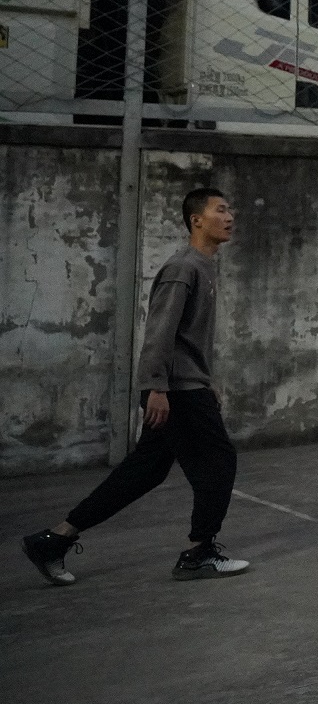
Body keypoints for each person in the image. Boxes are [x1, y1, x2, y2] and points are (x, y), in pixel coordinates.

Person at [22, 188, 251, 586]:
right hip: (175, 390)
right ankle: (198, 554)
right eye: (220, 210)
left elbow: (187, 338)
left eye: (230, 209)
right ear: (197, 220)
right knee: (219, 461)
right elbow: (160, 332)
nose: (229, 216)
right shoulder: (183, 268)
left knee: (146, 471)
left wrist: (205, 380)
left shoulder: (203, 266)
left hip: (185, 384)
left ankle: (54, 539)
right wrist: (155, 387)